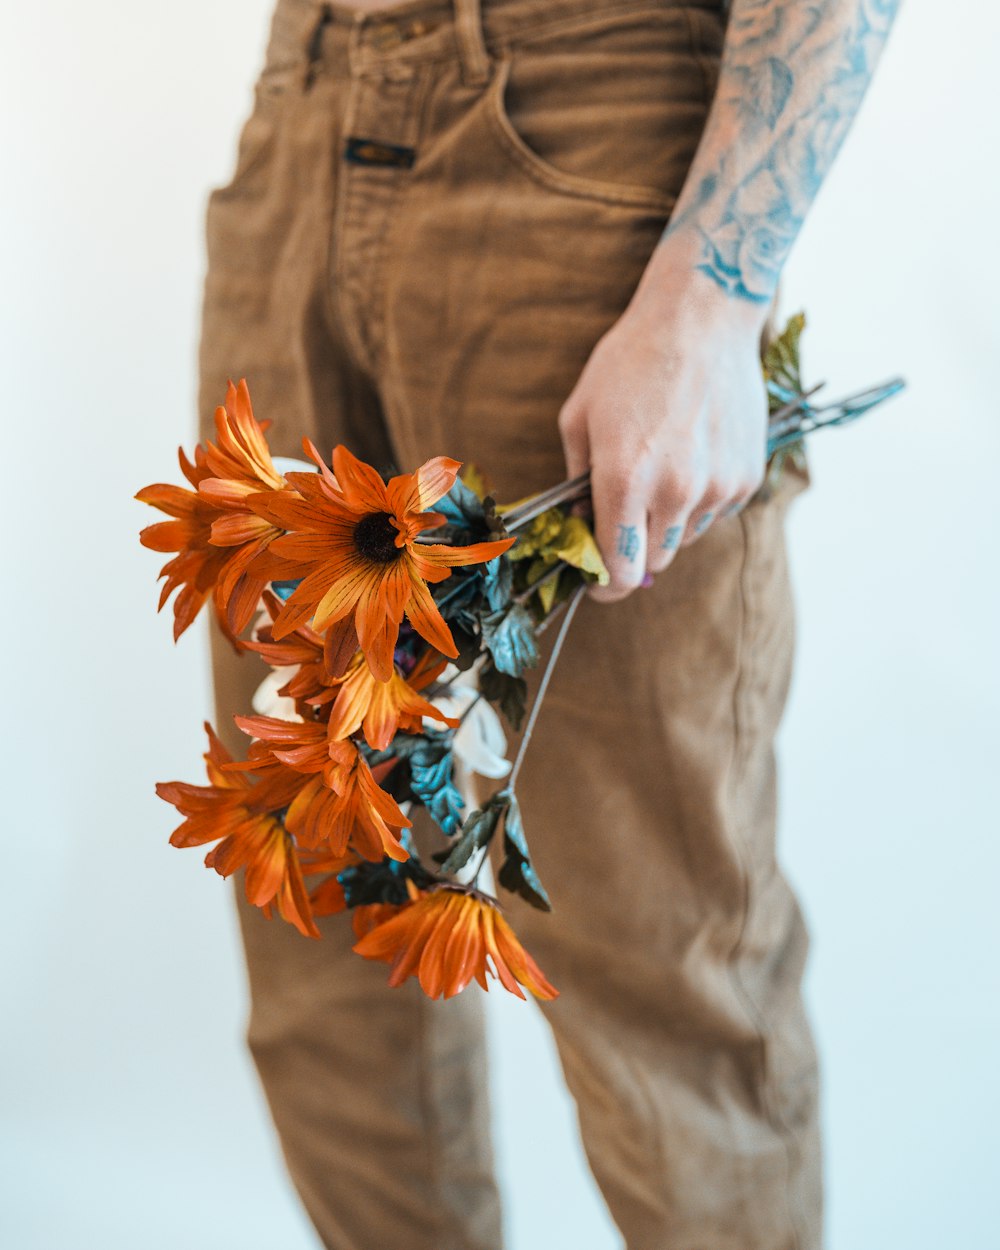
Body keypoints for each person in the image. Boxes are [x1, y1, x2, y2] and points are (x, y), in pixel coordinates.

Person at [197, 0, 899, 1245]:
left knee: (654, 953)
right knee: (319, 914)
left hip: (590, 107)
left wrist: (712, 295)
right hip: (302, 104)